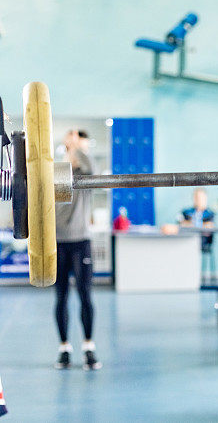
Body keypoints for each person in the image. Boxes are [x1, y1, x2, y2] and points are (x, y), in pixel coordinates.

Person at [54, 129, 101, 370]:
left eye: (78, 151)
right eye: (70, 150)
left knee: (85, 295)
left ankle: (88, 347)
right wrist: (69, 149)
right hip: (58, 243)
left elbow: (92, 166)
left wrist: (77, 147)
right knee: (61, 296)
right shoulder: (56, 175)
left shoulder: (85, 177)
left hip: (81, 242)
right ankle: (64, 348)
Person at [179, 187, 215, 253]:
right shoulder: (186, 212)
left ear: (205, 198)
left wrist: (190, 224)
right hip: (186, 240)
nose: (198, 200)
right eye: (196, 197)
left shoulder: (210, 214)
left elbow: (208, 229)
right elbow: (181, 225)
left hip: (202, 243)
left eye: (200, 197)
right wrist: (201, 225)